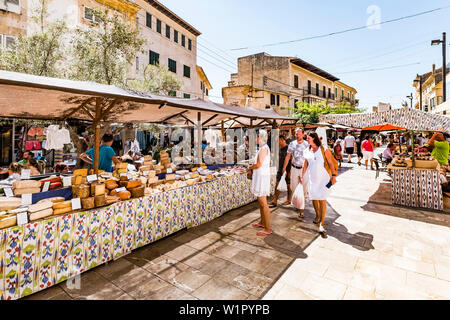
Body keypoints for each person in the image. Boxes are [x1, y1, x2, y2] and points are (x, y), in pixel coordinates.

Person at [300, 132, 337, 234]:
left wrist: (333, 176)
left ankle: (322, 223)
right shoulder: (306, 151)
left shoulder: (324, 149)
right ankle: (317, 215)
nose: (307, 140)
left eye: (308, 138)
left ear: (313, 138)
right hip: (312, 179)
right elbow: (305, 164)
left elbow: (330, 163)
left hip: (323, 178)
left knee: (322, 199)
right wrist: (301, 176)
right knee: (314, 197)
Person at [282, 128, 309, 219]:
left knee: (304, 189)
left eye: (299, 134)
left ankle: (301, 209)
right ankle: (298, 204)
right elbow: (288, 156)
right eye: (296, 134)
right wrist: (284, 168)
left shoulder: (307, 144)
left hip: (304, 169)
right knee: (293, 187)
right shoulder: (292, 144)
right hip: (294, 168)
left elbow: (309, 159)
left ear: (303, 135)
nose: (297, 135)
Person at [249, 130, 272, 236]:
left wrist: (250, 167)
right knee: (261, 202)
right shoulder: (264, 148)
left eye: (257, 137)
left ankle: (267, 228)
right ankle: (262, 222)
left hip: (262, 178)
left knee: (264, 203)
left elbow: (258, 164)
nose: (256, 139)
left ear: (261, 138)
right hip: (261, 176)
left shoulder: (263, 149)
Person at [269, 134, 291, 207]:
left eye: (278, 141)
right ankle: (275, 200)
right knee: (277, 185)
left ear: (282, 140)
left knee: (288, 185)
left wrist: (289, 171)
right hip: (280, 169)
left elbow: (290, 160)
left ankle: (289, 199)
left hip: (287, 170)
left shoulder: (289, 148)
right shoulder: (280, 149)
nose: (277, 142)